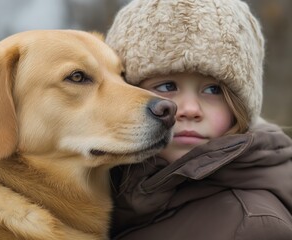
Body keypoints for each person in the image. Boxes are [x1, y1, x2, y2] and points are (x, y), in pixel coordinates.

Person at [105, 0, 292, 239]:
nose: (190, 109)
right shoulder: (97, 190)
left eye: (213, 90)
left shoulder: (253, 227)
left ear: (240, 106)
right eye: (166, 86)